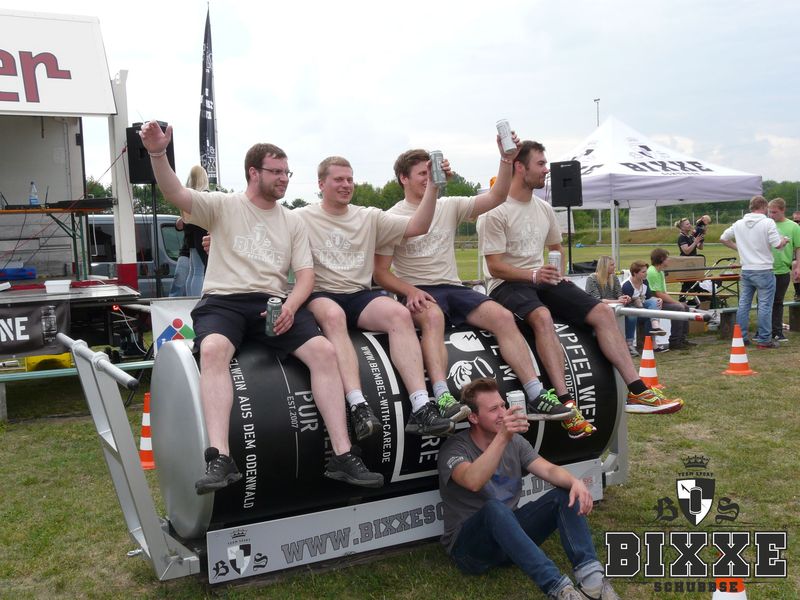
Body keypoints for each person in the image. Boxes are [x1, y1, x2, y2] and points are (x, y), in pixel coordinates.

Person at [138, 121, 383, 494]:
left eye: (287, 172)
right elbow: (175, 192)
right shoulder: (223, 205)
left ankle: (343, 455)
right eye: (276, 172)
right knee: (213, 349)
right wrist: (158, 153)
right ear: (254, 172)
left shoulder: (292, 220)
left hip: (273, 302)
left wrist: (291, 307)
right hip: (224, 301)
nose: (284, 179)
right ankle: (220, 459)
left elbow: (305, 276)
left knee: (323, 352)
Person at [373, 139, 573, 429]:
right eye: (422, 174)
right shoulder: (392, 217)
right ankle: (442, 396)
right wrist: (409, 290)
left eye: (431, 173)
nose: (429, 179)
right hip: (418, 290)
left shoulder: (448, 205)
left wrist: (506, 159)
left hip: (453, 287)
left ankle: (535, 392)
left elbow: (497, 197)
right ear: (403, 178)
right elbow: (380, 273)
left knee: (503, 317)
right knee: (433, 318)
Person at [478, 140, 683, 416]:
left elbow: (556, 248)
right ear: (520, 167)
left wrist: (557, 273)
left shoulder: (544, 208)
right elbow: (494, 267)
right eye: (540, 164)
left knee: (603, 312)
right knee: (542, 317)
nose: (546, 170)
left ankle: (637, 390)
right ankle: (565, 403)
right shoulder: (495, 210)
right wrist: (534, 274)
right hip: (506, 284)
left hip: (540, 280)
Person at [297, 156, 456, 440]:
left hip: (359, 293)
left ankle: (421, 406)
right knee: (333, 316)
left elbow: (417, 226)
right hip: (322, 293)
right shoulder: (300, 217)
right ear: (321, 184)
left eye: (350, 179)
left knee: (400, 314)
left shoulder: (368, 216)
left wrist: (433, 186)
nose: (346, 185)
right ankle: (358, 405)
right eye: (338, 179)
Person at [438, 377, 619, 600]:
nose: (503, 413)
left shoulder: (514, 441)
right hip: (470, 550)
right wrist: (503, 437)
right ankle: (559, 589)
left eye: (503, 405)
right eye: (494, 409)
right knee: (494, 509)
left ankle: (592, 581)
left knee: (564, 494)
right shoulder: (455, 448)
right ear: (473, 417)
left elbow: (548, 470)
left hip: (509, 540)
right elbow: (473, 481)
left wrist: (575, 482)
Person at [720, 195, 789, 348]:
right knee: (765, 306)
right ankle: (764, 339)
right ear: (764, 207)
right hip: (764, 269)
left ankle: (741, 337)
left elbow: (723, 238)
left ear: (751, 207)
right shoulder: (768, 222)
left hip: (746, 269)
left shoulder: (739, 223)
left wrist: (740, 248)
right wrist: (784, 241)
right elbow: (777, 244)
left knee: (744, 305)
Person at [646, 248, 696, 351]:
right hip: (653, 302)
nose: (669, 260)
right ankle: (675, 341)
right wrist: (677, 302)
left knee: (685, 307)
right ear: (661, 259)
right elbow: (658, 294)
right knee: (679, 308)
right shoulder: (652, 272)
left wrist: (677, 303)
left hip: (659, 300)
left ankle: (682, 338)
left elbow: (662, 293)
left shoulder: (659, 272)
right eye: (667, 258)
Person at [767, 198, 800, 342]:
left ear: (783, 210)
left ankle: (777, 331)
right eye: (769, 212)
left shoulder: (793, 226)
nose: (771, 215)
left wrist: (798, 266)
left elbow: (798, 248)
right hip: (765, 269)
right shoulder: (766, 224)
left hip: (783, 269)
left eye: (774, 212)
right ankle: (763, 331)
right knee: (764, 301)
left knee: (777, 301)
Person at [620, 260, 666, 357]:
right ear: (635, 273)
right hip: (629, 311)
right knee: (634, 315)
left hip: (641, 308)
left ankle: (655, 328)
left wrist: (658, 300)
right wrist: (636, 301)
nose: (646, 274)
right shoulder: (627, 285)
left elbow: (649, 298)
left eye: (646, 271)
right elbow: (626, 304)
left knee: (654, 303)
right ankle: (629, 344)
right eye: (643, 272)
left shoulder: (644, 281)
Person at [184, 165, 210, 296]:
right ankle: (196, 300)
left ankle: (191, 298)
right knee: (199, 271)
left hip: (191, 239)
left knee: (194, 271)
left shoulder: (187, 196)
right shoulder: (204, 196)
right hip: (202, 237)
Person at [676, 217, 704, 304]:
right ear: (682, 227)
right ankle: (684, 302)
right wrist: (695, 242)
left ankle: (687, 302)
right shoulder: (681, 237)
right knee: (688, 285)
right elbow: (686, 251)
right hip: (686, 265)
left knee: (692, 285)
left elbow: (700, 247)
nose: (690, 225)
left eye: (689, 223)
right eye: (687, 224)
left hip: (693, 264)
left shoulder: (691, 236)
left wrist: (701, 239)